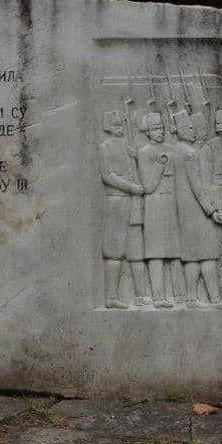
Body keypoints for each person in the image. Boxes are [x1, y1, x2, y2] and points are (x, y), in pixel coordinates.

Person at [169, 110, 222, 307]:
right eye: (190, 128)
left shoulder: (174, 151)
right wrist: (213, 211)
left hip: (183, 211)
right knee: (207, 255)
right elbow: (198, 187)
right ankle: (215, 298)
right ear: (181, 130)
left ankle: (191, 298)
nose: (194, 132)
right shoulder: (189, 153)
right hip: (197, 212)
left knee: (192, 256)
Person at [98, 110, 148, 308]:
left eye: (121, 125)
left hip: (133, 201)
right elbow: (107, 175)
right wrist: (129, 187)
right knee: (115, 250)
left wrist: (136, 157)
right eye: (116, 125)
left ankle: (141, 294)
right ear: (108, 127)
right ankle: (111, 297)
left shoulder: (128, 146)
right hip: (117, 200)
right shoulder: (105, 147)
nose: (119, 128)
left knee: (136, 248)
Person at [137, 112, 178, 308]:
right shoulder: (144, 152)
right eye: (155, 129)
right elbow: (148, 186)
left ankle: (180, 295)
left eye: (161, 128)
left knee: (174, 252)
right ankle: (158, 296)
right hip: (154, 205)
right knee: (156, 252)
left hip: (172, 205)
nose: (159, 132)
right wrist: (160, 164)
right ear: (148, 132)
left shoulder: (171, 149)